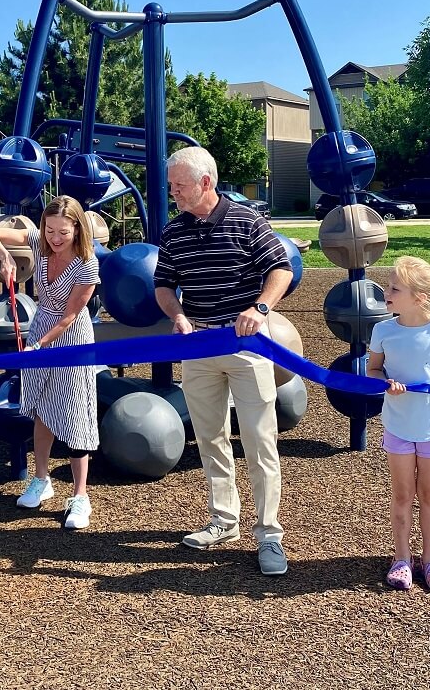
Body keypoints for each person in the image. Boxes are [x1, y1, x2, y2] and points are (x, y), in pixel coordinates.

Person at [153, 147, 294, 576]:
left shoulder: (248, 221)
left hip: (248, 345)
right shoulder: (173, 232)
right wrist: (177, 314)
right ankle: (223, 520)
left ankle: (269, 534)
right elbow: (163, 284)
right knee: (210, 438)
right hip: (199, 347)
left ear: (206, 183)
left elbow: (281, 269)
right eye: (171, 184)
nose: (171, 191)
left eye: (178, 184)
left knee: (259, 439)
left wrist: (261, 309)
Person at [0, 195, 100, 530]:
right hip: (42, 327)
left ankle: (79, 496)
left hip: (71, 337)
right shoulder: (39, 242)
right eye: (49, 230)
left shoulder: (88, 265)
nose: (55, 238)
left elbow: (71, 315)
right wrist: (4, 256)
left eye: (63, 232)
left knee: (74, 414)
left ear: (77, 229)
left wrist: (39, 346)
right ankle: (42, 479)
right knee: (42, 408)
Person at [366, 256, 430, 592]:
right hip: (398, 424)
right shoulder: (383, 330)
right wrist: (385, 382)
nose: (387, 292)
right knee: (402, 494)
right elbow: (373, 370)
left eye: (394, 288)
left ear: (419, 297)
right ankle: (401, 559)